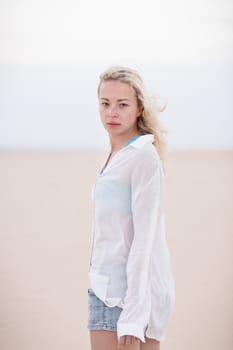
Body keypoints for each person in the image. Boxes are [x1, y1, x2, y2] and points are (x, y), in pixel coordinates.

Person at [87, 66, 175, 350]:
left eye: (122, 104)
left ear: (139, 108)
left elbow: (144, 240)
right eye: (105, 103)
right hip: (105, 287)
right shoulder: (118, 155)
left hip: (124, 298)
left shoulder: (142, 157)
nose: (111, 112)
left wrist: (134, 317)